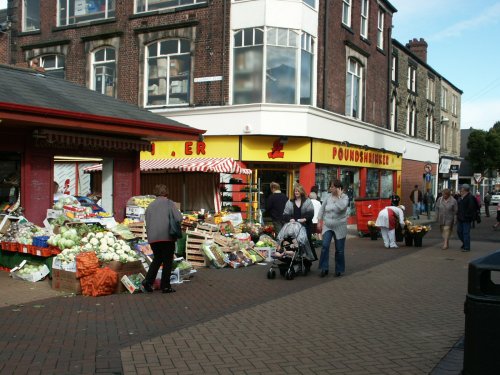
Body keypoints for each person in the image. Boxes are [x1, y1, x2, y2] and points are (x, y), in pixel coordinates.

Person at [142, 184, 183, 294]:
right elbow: (179, 218)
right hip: (167, 237)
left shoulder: (150, 206)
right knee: (167, 262)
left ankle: (148, 281)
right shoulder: (170, 203)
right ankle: (165, 286)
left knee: (157, 259)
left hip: (153, 238)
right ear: (166, 193)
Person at [317, 179, 349, 277]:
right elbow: (322, 209)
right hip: (328, 225)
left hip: (340, 226)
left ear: (338, 188)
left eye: (332, 187)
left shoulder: (345, 197)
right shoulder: (327, 197)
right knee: (325, 246)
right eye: (330, 186)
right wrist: (319, 221)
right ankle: (324, 268)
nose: (330, 188)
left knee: (339, 250)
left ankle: (339, 269)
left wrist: (339, 196)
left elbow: (341, 208)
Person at [283, 183, 316, 264]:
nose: (296, 192)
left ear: (301, 191)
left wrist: (305, 218)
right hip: (293, 226)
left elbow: (311, 212)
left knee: (305, 242)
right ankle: (294, 259)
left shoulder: (307, 201)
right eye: (295, 191)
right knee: (293, 242)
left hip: (305, 226)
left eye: (298, 191)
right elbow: (285, 214)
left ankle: (308, 261)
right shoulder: (290, 202)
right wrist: (290, 219)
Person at [456, 184, 477, 252]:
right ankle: (465, 243)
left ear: (465, 190)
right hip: (460, 218)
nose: (460, 190)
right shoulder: (460, 197)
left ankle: (467, 247)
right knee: (459, 232)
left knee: (465, 233)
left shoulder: (470, 197)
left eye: (461, 189)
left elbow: (471, 208)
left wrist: (467, 215)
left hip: (466, 218)